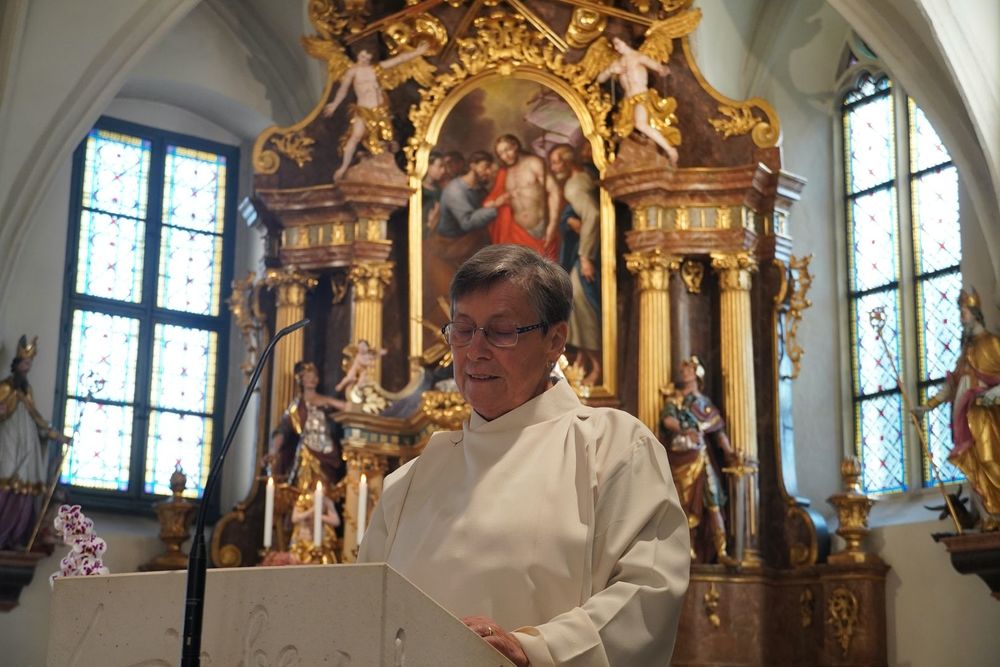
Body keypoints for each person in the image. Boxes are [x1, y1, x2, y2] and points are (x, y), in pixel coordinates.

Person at [360, 244, 690, 666]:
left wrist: (537, 650)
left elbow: (649, 593)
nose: (475, 350)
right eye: (463, 330)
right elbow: (365, 611)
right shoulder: (407, 483)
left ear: (555, 340)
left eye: (501, 331)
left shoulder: (614, 447)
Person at [913, 287, 1000, 529]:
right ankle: (991, 515)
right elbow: (951, 386)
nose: (961, 318)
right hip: (967, 417)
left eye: (963, 313)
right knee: (976, 466)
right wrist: (926, 407)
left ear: (975, 314)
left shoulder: (993, 343)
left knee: (990, 460)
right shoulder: (966, 352)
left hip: (987, 415)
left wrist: (992, 394)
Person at [660, 356, 738, 564]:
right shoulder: (675, 400)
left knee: (713, 500)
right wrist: (685, 429)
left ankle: (722, 551)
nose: (684, 372)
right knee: (684, 505)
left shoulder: (705, 404)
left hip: (701, 457)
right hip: (681, 458)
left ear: (697, 374)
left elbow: (718, 432)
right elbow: (668, 420)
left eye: (689, 369)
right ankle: (688, 551)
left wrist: (729, 452)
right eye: (683, 369)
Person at [0, 336, 72, 549]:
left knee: (25, 487)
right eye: (25, 362)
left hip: (28, 443)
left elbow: (36, 417)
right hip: (8, 440)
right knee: (6, 481)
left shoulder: (27, 390)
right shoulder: (4, 387)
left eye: (29, 363)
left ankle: (15, 538)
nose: (27, 367)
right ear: (16, 363)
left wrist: (56, 436)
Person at [322, 43, 429, 180]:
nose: (365, 60)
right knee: (355, 136)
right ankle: (344, 166)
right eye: (362, 56)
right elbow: (343, 90)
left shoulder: (376, 68)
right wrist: (334, 104)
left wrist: (417, 52)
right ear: (357, 56)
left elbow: (399, 59)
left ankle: (386, 164)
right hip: (363, 109)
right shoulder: (352, 72)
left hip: (379, 109)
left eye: (368, 57)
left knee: (387, 140)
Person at [423, 151, 499, 327]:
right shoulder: (455, 190)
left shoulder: (479, 191)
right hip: (447, 250)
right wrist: (495, 208)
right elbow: (467, 222)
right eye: (485, 167)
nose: (489, 171)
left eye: (490, 167)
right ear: (473, 166)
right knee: (451, 300)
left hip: (467, 250)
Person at [548, 143, 602, 386]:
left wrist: (585, 256)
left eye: (557, 162)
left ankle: (597, 364)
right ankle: (582, 359)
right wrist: (568, 219)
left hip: (584, 257)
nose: (554, 168)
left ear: (569, 161)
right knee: (576, 305)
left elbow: (593, 214)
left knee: (581, 302)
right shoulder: (580, 180)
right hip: (580, 254)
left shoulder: (574, 184)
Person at [597, 37, 680, 167]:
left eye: (618, 43)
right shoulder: (617, 63)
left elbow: (657, 67)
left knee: (641, 124)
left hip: (641, 96)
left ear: (626, 42)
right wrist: (610, 71)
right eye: (614, 45)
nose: (616, 47)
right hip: (627, 101)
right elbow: (600, 79)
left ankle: (670, 150)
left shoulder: (638, 57)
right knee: (620, 131)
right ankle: (631, 156)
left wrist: (663, 70)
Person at [268, 361, 346, 492]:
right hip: (307, 452)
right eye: (307, 376)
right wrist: (273, 451)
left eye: (314, 375)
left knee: (326, 489)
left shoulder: (326, 401)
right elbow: (283, 429)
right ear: (301, 379)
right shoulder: (296, 407)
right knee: (305, 489)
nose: (312, 379)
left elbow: (347, 408)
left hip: (328, 451)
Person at [485, 134, 562, 260]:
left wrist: (552, 226)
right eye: (501, 154)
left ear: (515, 146)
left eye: (507, 150)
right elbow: (489, 203)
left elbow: (554, 191)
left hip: (541, 230)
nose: (506, 156)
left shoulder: (534, 163)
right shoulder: (503, 173)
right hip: (516, 234)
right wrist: (500, 201)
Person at [421, 150, 446, 238]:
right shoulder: (419, 190)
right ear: (428, 166)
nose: (443, 171)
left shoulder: (439, 191)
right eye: (440, 166)